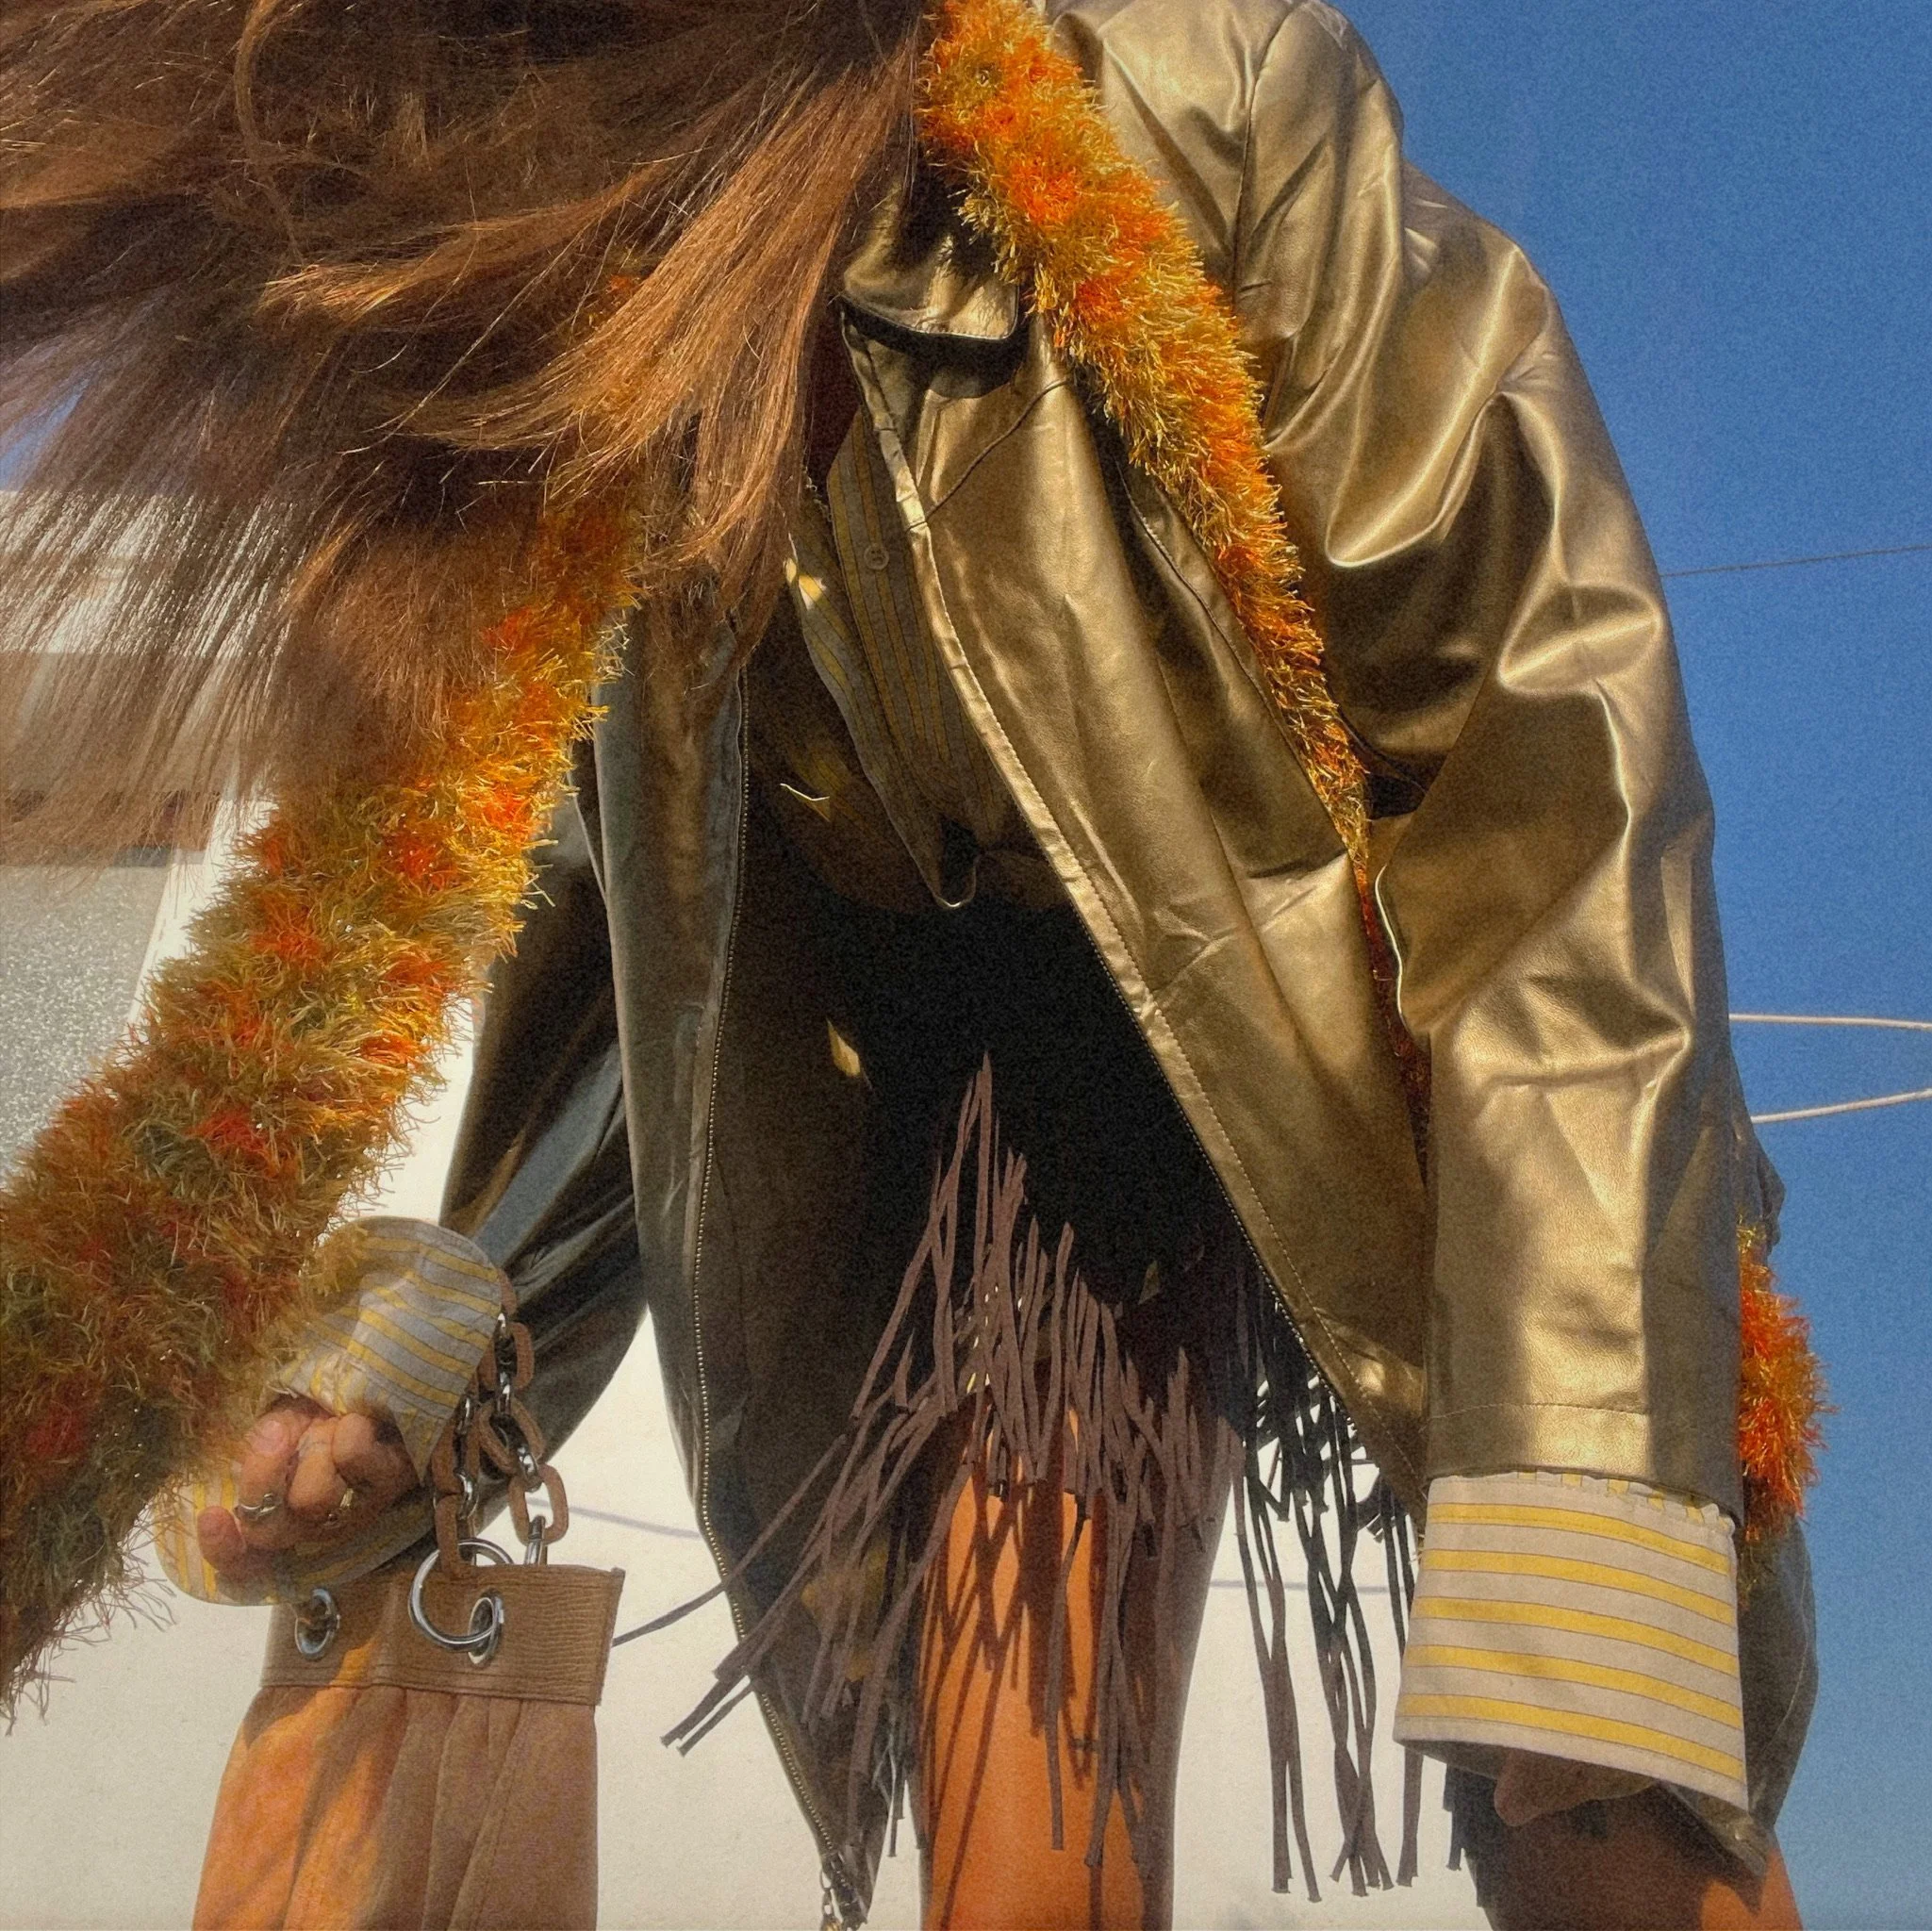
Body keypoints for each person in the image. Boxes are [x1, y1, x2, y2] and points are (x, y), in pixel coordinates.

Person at [0, 2, 1816, 1926]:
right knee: (1017, 1800)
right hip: (973, 1127)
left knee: (1601, 1778)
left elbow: (1535, 737)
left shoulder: (1191, 83)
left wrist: (1592, 1456)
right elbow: (609, 922)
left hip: (1385, 1048)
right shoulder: (566, 347)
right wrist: (430, 1343)